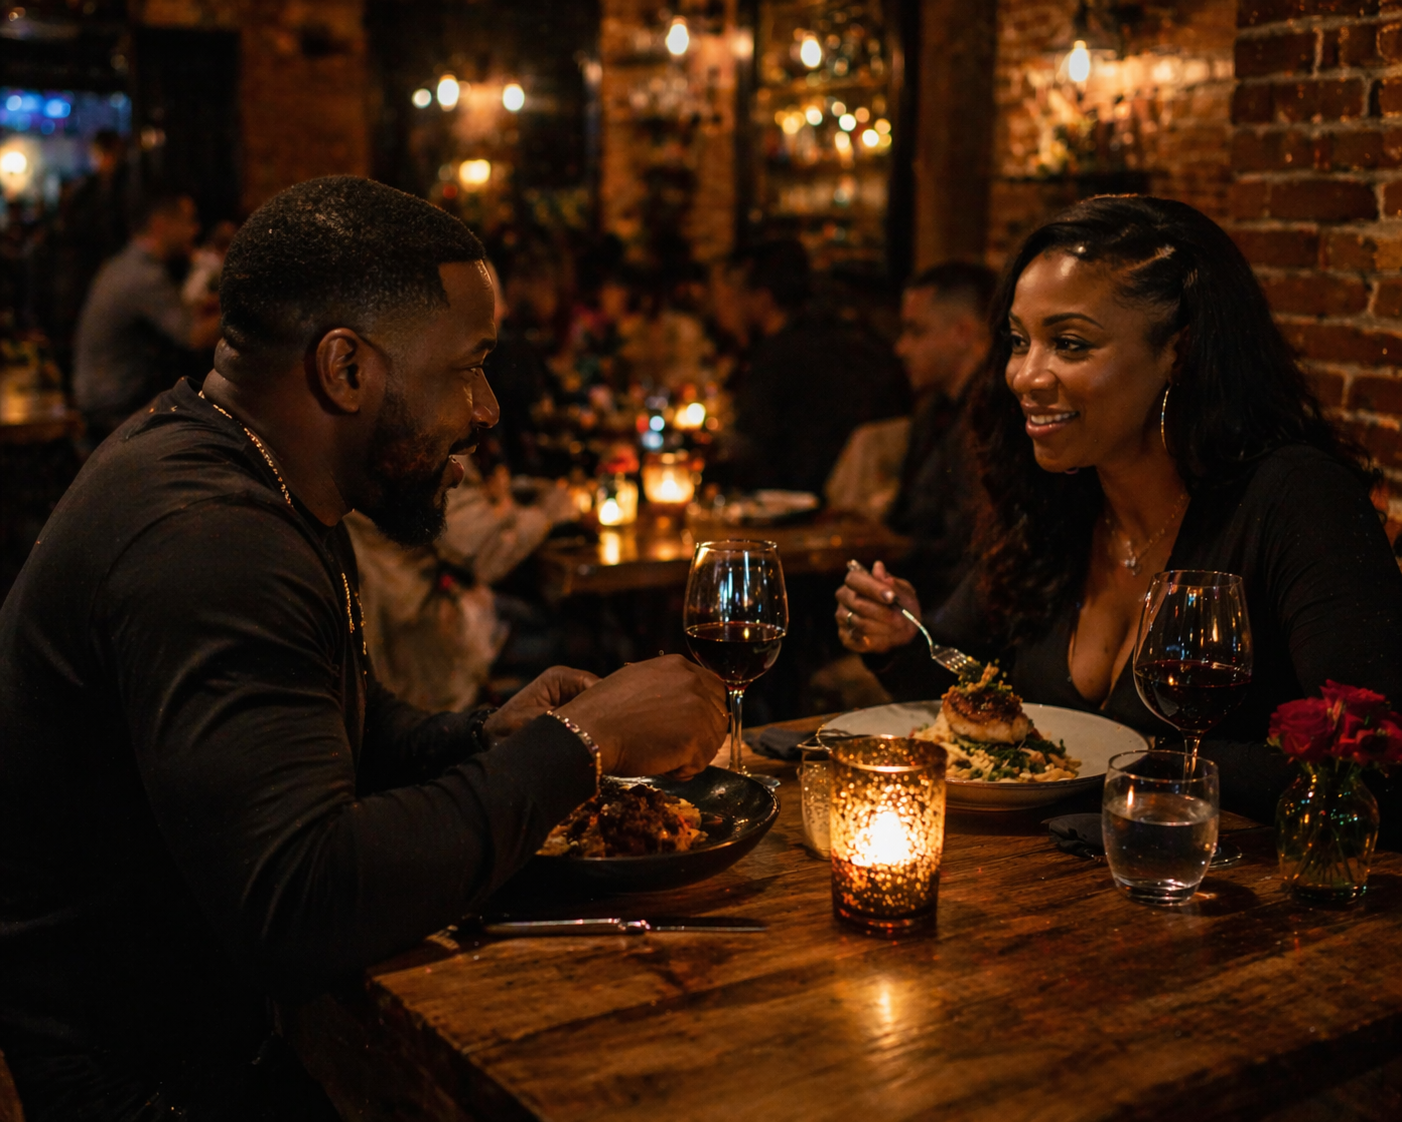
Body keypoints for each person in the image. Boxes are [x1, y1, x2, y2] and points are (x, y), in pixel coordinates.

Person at [0, 176, 727, 1120]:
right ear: (346, 369)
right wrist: (580, 746)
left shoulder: (255, 465)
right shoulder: (210, 539)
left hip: (209, 1023)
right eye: (467, 366)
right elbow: (300, 906)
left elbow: (319, 721)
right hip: (157, 1075)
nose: (488, 407)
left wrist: (481, 740)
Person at [835, 195, 1402, 826]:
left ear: (1178, 354)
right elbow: (956, 698)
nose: (1026, 375)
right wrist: (898, 636)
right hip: (1057, 895)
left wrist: (1140, 758)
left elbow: (1377, 762)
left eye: (1070, 343)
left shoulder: (1295, 498)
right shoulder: (1060, 501)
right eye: (1020, 341)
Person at [826, 262, 996, 606]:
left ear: (963, 334)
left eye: (916, 331)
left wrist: (893, 545)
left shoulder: (994, 420)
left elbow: (973, 550)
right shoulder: (934, 411)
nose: (900, 348)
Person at [718, 239, 909, 496]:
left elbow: (750, 449)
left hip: (806, 505)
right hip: (861, 495)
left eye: (734, 298)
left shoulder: (776, 358)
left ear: (762, 299)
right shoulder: (849, 336)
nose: (727, 311)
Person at [71, 192, 221, 443]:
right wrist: (247, 307)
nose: (195, 231)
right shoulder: (144, 276)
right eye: (189, 221)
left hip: (96, 401)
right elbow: (193, 336)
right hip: (116, 410)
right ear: (160, 225)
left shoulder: (124, 264)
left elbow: (175, 314)